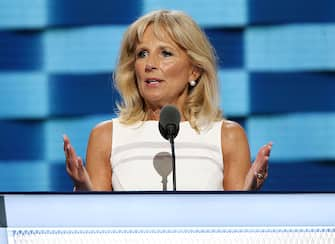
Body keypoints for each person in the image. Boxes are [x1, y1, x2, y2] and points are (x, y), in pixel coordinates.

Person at [63, 9, 272, 191]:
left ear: (194, 71)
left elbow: (234, 226)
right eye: (142, 53)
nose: (149, 64)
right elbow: (99, 224)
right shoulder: (106, 136)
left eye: (165, 53)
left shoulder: (227, 136)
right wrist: (84, 190)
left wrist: (248, 196)